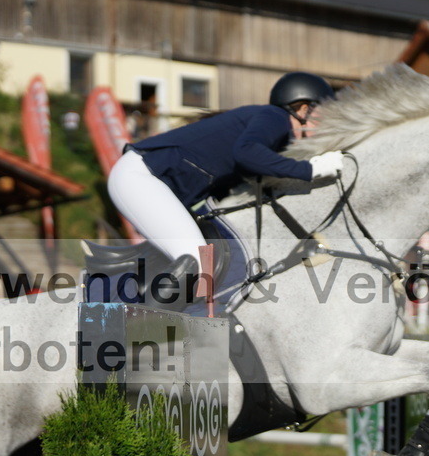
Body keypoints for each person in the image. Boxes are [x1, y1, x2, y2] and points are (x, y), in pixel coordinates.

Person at [107, 71, 345, 291]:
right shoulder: (275, 116)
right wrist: (310, 169)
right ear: (303, 109)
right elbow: (247, 152)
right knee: (198, 264)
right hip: (140, 177)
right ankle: (134, 325)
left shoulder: (273, 133)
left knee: (203, 261)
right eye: (321, 117)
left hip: (147, 180)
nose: (324, 127)